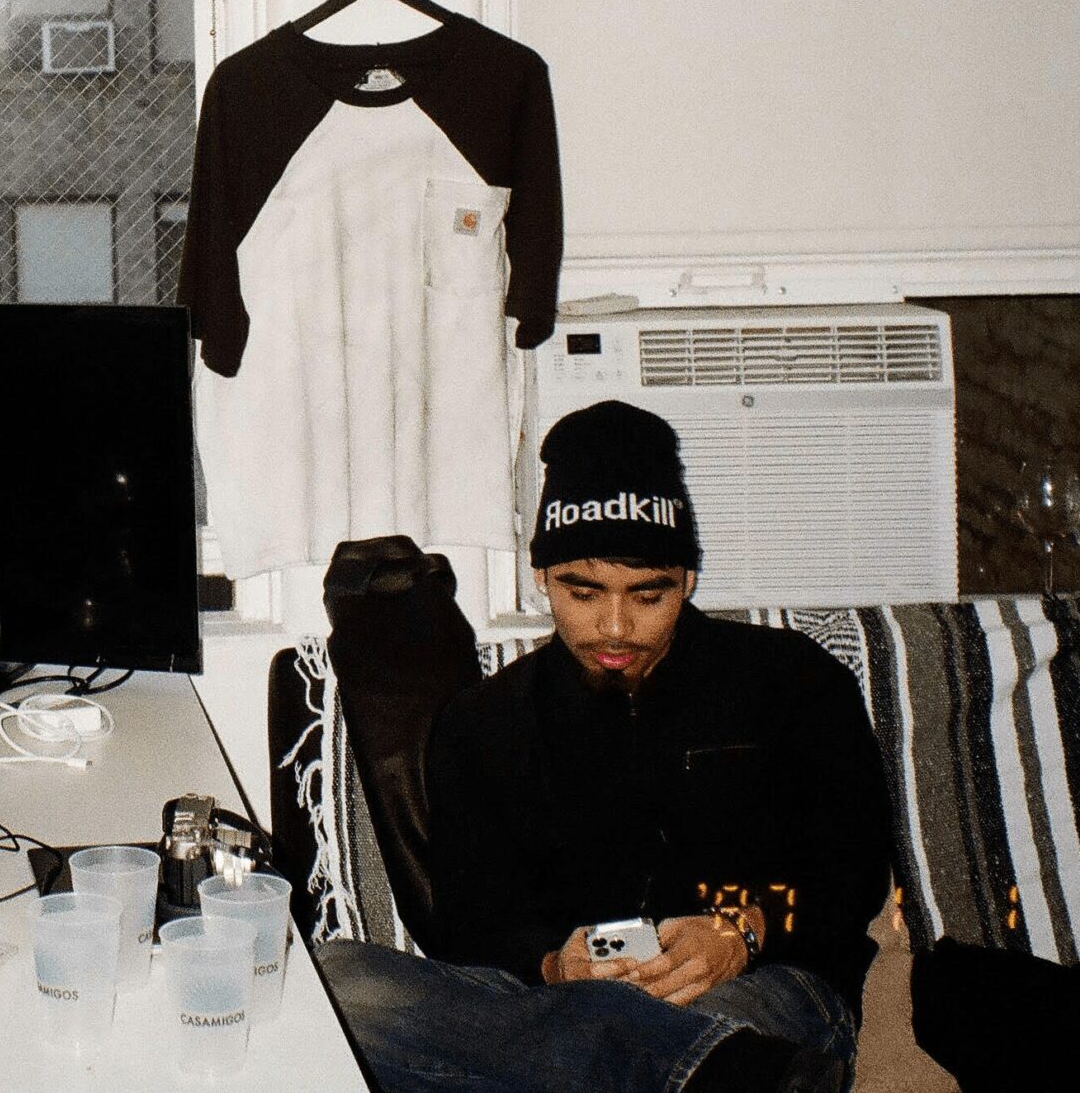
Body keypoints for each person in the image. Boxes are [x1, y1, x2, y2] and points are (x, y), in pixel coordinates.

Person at [317, 399, 894, 1093]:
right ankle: (710, 1076)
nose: (615, 627)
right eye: (583, 593)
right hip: (558, 1007)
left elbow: (852, 872)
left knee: (680, 1031)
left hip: (761, 984)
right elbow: (471, 921)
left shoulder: (792, 679)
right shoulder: (484, 722)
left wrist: (743, 927)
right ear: (542, 577)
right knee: (336, 981)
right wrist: (553, 962)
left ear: (687, 579)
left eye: (647, 596)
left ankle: (697, 1064)